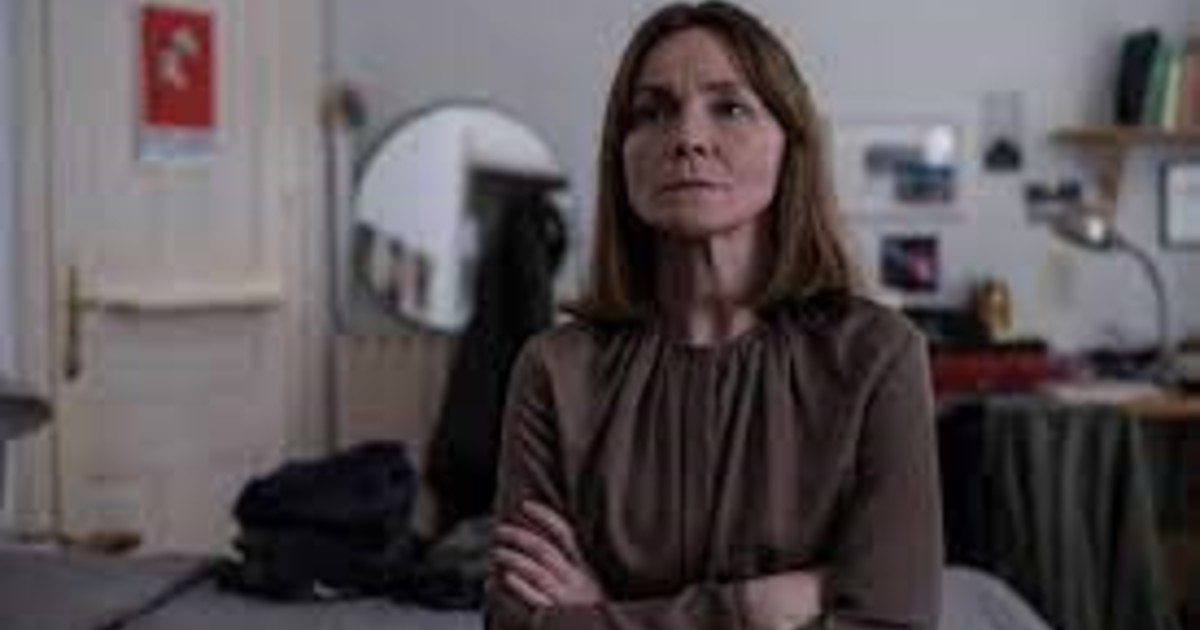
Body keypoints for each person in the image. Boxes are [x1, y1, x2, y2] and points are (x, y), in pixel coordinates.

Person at [487, 2, 942, 629]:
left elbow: (893, 622)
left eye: (729, 108)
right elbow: (514, 625)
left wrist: (602, 614)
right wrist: (748, 608)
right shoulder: (554, 370)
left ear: (790, 145)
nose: (688, 139)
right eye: (653, 112)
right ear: (621, 155)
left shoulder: (878, 354)